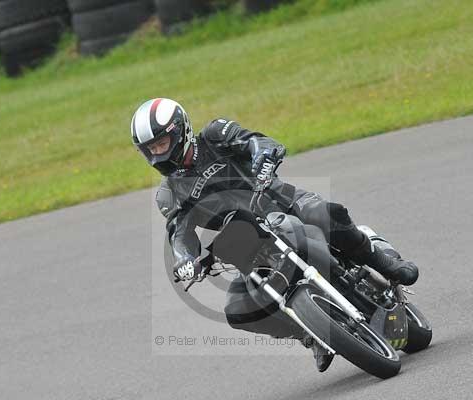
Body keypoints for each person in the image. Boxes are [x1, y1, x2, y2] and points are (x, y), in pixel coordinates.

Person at [133, 98, 418, 372]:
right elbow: (179, 233)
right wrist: (185, 259)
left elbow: (257, 141)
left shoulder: (214, 134)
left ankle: (385, 263)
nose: (158, 153)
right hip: (248, 243)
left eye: (162, 143)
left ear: (180, 131)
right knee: (237, 311)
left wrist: (263, 159)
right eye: (151, 149)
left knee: (325, 214)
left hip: (282, 202)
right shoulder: (168, 195)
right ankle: (311, 334)